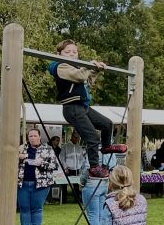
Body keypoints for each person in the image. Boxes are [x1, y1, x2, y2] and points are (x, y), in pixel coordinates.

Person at [49, 39, 127, 179]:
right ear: (59, 54)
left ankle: (106, 146)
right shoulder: (60, 66)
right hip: (72, 107)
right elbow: (79, 76)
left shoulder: (77, 67)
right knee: (92, 138)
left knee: (107, 124)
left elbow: (88, 79)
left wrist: (95, 69)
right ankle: (94, 167)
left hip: (82, 106)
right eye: (68, 52)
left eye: (74, 51)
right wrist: (90, 66)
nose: (72, 54)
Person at [18, 128, 61, 225]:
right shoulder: (22, 149)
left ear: (40, 136)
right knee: (24, 208)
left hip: (42, 184)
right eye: (30, 136)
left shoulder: (48, 149)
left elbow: (54, 165)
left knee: (37, 208)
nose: (32, 138)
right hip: (23, 183)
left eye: (34, 136)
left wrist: (40, 163)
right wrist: (18, 157)